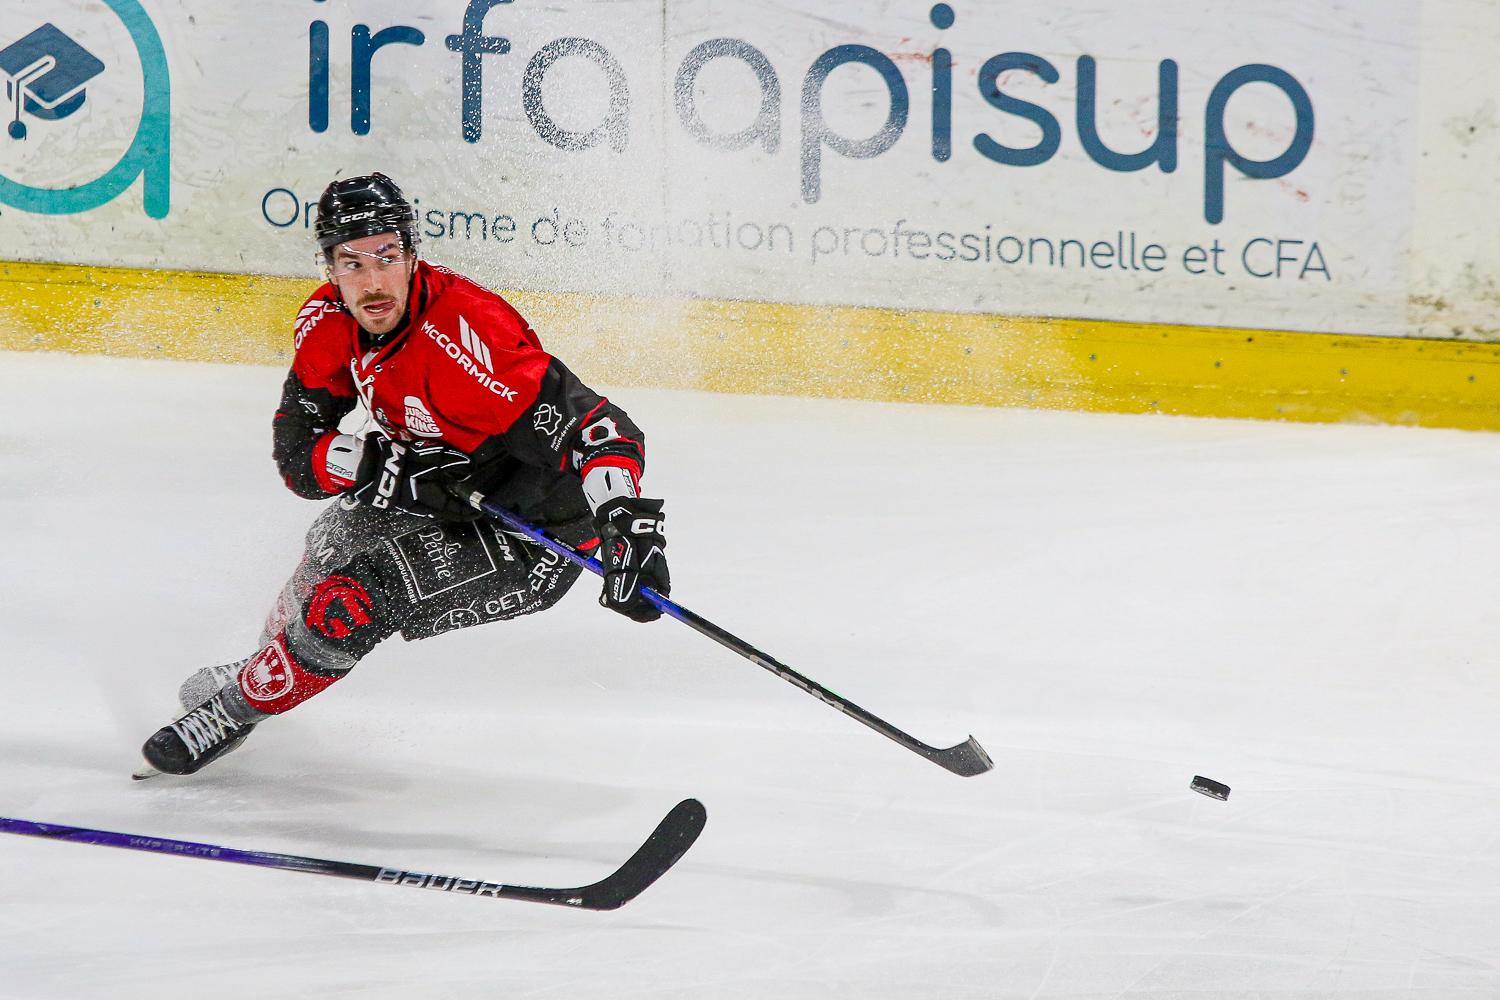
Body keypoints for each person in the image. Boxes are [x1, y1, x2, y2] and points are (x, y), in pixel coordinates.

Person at [140, 173, 670, 776]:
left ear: (413, 254)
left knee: (353, 600)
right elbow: (298, 455)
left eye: (387, 257)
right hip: (445, 486)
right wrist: (374, 468)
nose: (372, 282)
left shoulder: (467, 339)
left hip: (534, 530)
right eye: (352, 262)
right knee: (328, 546)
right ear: (329, 267)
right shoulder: (326, 324)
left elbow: (602, 430)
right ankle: (265, 671)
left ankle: (234, 710)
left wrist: (624, 522)